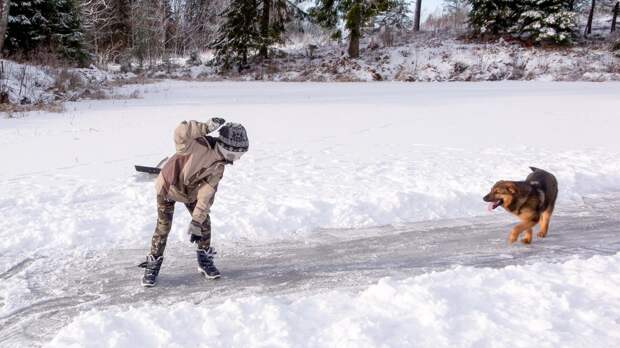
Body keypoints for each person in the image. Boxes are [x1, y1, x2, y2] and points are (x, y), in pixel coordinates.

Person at [140, 118, 249, 287]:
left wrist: (196, 221)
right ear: (228, 147)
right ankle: (153, 264)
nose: (238, 159)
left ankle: (204, 259)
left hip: (189, 192)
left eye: (242, 154)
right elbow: (180, 133)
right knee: (163, 228)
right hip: (168, 187)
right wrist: (204, 127)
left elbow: (205, 196)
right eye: (238, 154)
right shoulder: (198, 145)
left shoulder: (219, 167)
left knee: (204, 223)